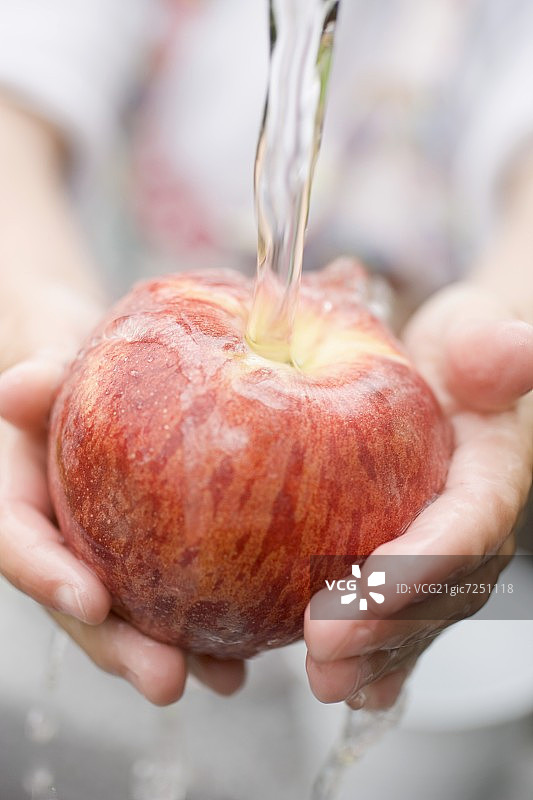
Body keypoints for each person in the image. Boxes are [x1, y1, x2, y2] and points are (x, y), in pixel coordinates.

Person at [0, 0, 532, 713]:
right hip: (146, 408)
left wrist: (505, 317)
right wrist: (30, 311)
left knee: (457, 623)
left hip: (423, 487)